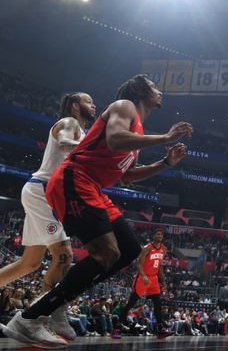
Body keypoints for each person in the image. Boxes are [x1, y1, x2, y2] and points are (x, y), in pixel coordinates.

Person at [2, 75, 192, 348]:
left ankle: (56, 303)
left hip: (93, 188)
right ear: (140, 91)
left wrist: (165, 163)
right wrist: (165, 137)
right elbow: (114, 140)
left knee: (127, 250)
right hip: (74, 179)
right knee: (106, 253)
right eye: (153, 87)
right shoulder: (124, 106)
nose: (159, 91)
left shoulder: (136, 129)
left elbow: (126, 176)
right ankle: (32, 316)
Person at [0, 93, 95, 341]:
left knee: (29, 263)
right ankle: (38, 318)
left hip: (43, 194)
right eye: (88, 101)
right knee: (64, 256)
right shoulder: (69, 123)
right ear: (76, 106)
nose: (93, 105)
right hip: (42, 191)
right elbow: (64, 142)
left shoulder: (83, 132)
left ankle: (39, 316)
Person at [113, 228, 171, 339]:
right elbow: (138, 265)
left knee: (158, 304)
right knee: (131, 303)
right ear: (153, 236)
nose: (160, 236)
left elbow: (159, 266)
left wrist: (163, 281)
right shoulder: (147, 248)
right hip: (142, 278)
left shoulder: (164, 249)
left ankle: (161, 329)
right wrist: (144, 276)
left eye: (161, 234)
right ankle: (116, 328)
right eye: (158, 234)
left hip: (153, 279)